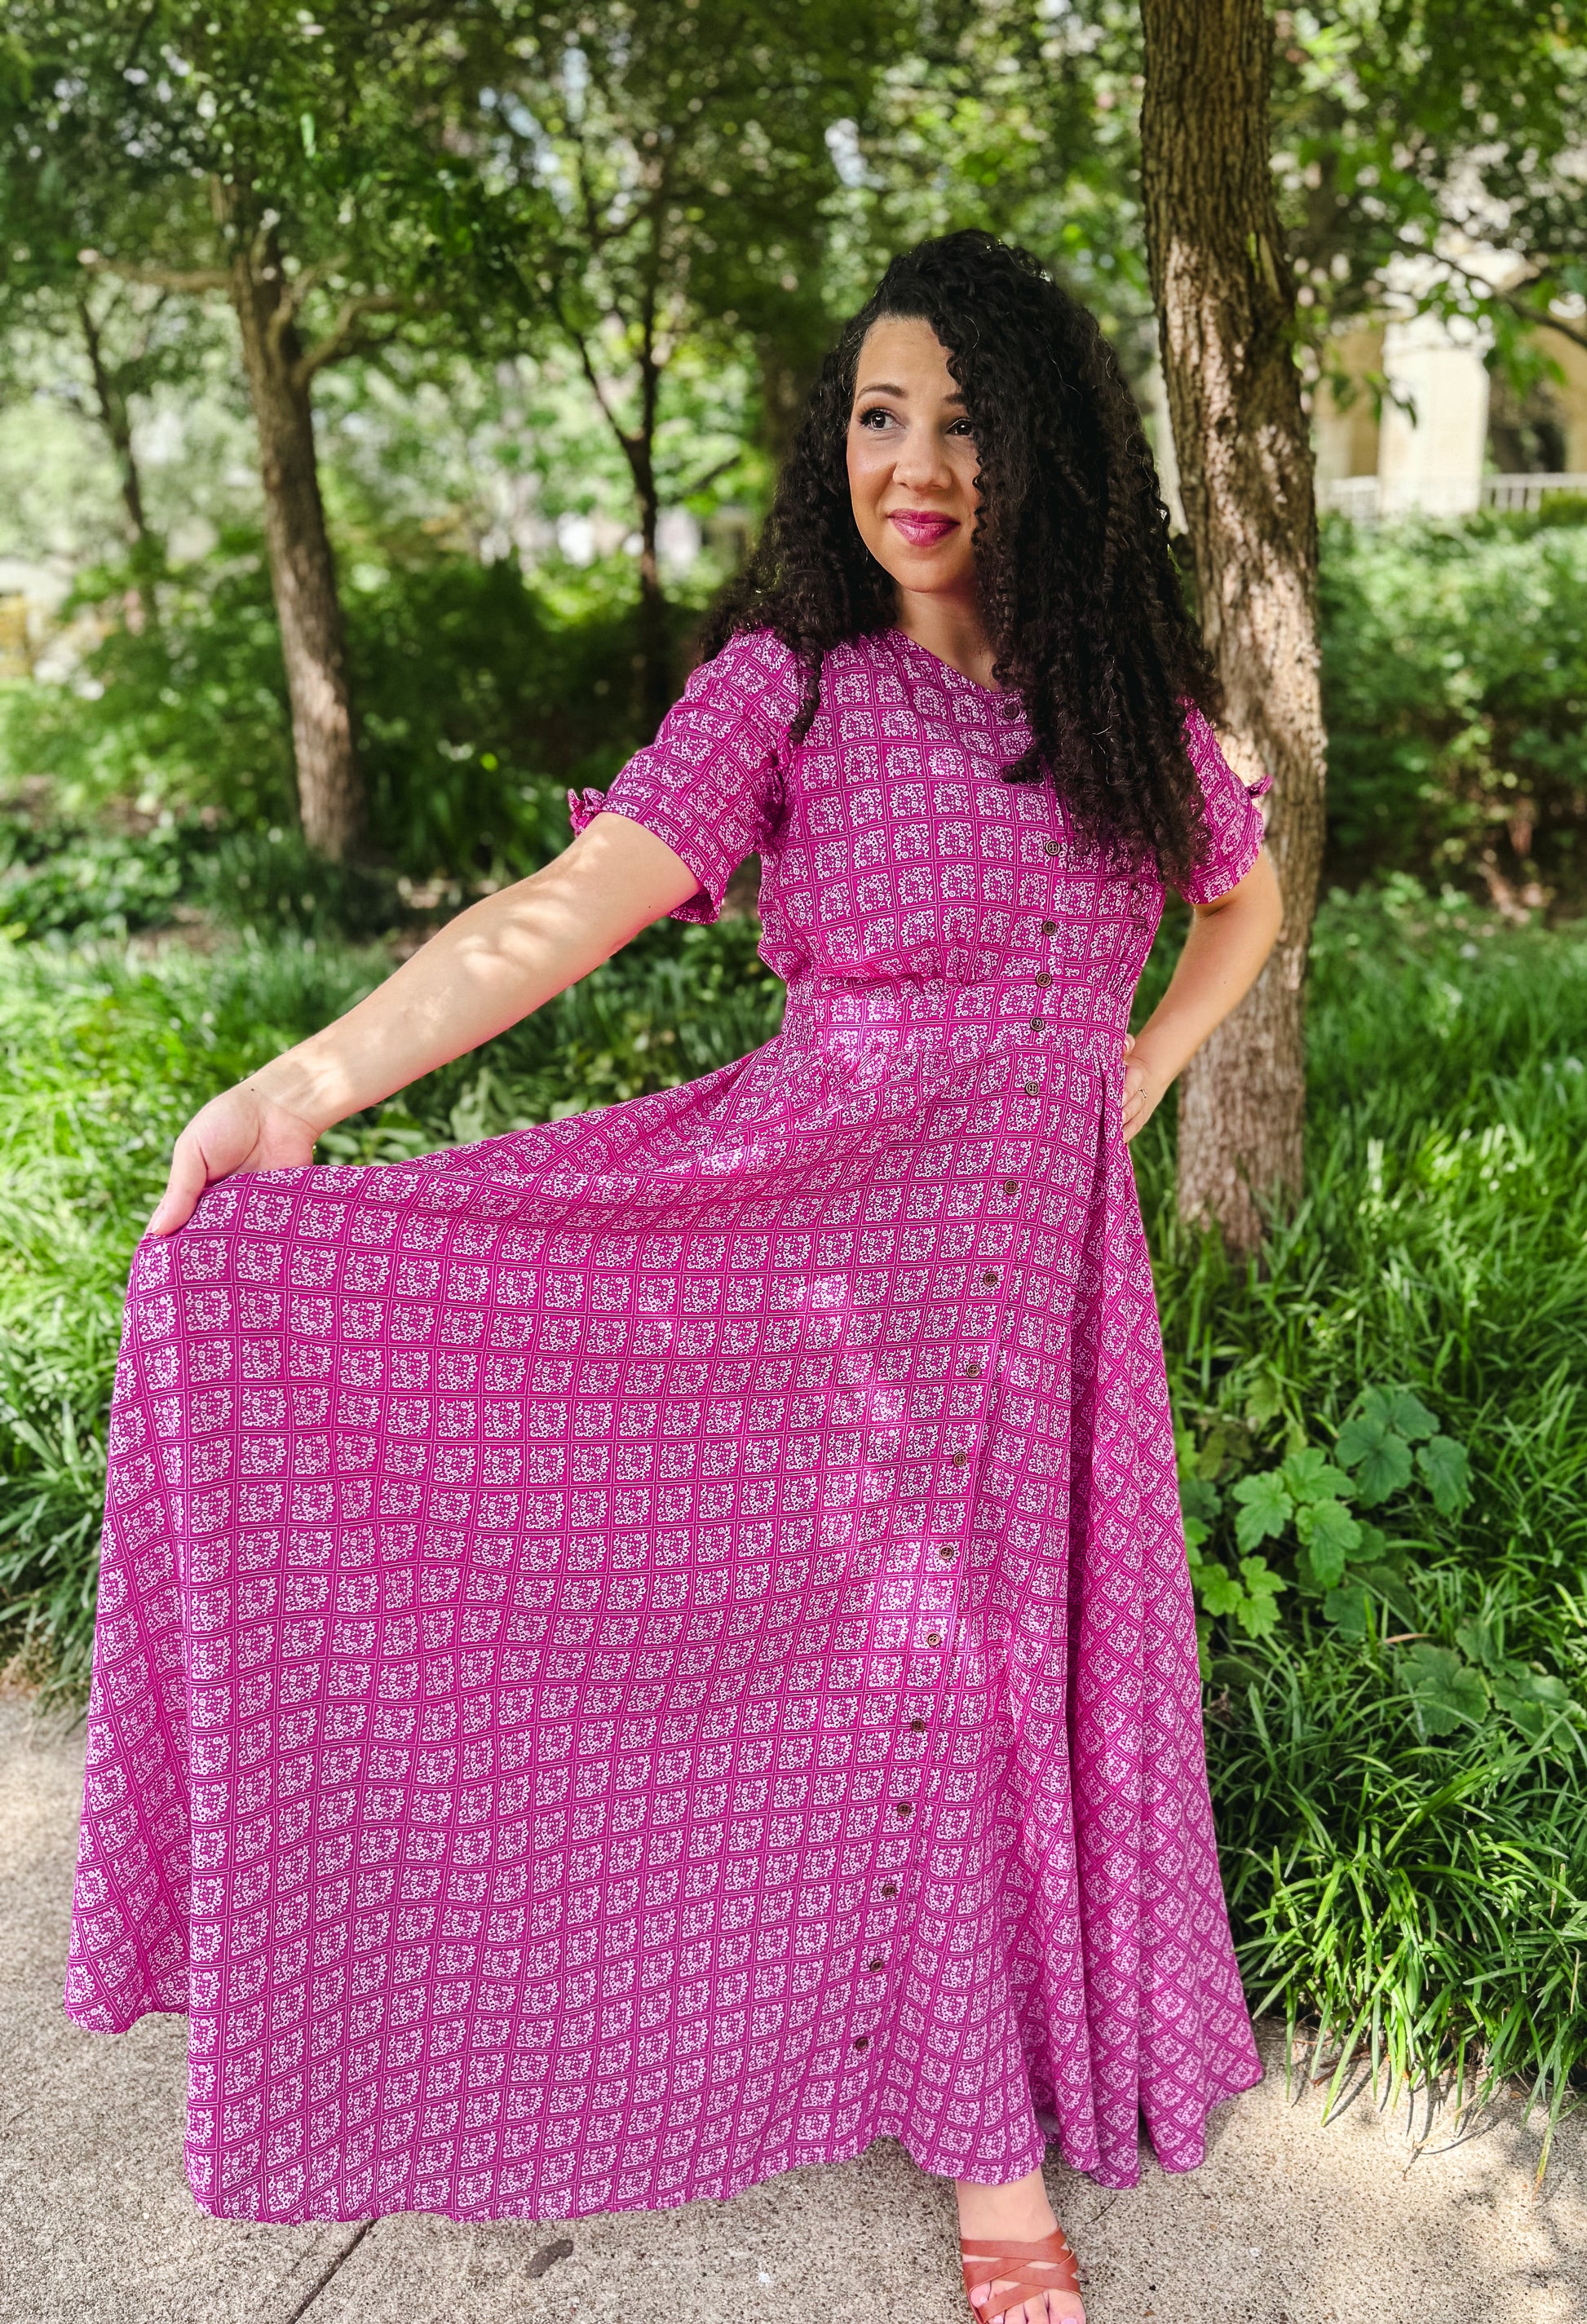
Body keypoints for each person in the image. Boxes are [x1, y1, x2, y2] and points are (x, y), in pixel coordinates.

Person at [66, 230, 1281, 2324]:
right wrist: (301, 1087)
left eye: (964, 419)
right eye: (877, 417)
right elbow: (559, 912)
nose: (914, 464)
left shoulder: (1118, 716)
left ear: (1049, 448)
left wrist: (1138, 1071)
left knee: (977, 1682)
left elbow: (1244, 897)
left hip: (1029, 1311)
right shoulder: (789, 687)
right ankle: (954, 2149)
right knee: (850, 1694)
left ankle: (987, 2148)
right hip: (787, 1284)